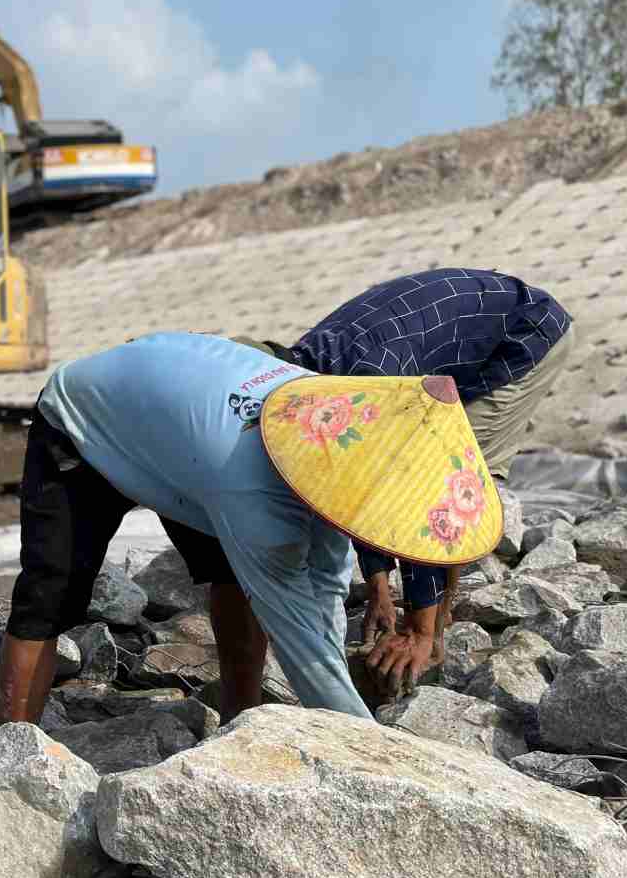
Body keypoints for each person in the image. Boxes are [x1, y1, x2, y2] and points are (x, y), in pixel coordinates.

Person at [0, 332, 501, 727]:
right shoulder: (255, 496)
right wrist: (367, 748)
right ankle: (11, 750)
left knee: (232, 572)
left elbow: (326, 579)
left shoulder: (334, 424)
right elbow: (301, 643)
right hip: (83, 421)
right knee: (52, 591)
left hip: (177, 419)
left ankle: (241, 721)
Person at [237, 267, 575, 686]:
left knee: (457, 476)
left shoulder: (370, 381)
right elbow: (358, 481)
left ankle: (432, 631)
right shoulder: (312, 370)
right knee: (388, 466)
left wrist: (416, 626)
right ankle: (432, 611)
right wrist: (378, 585)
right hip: (452, 332)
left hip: (525, 333)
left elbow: (422, 490)